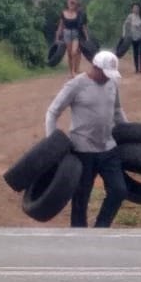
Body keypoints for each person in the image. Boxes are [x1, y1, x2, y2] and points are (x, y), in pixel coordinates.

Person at [45, 49, 129, 228]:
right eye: (105, 73)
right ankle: (79, 236)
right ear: (95, 67)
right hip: (82, 150)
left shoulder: (111, 83)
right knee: (81, 198)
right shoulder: (76, 85)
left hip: (108, 147)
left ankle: (101, 227)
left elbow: (117, 110)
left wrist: (130, 132)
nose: (108, 77)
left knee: (119, 190)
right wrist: (51, 145)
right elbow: (53, 112)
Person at [54, 0, 90, 78]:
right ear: (67, 3)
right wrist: (57, 37)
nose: (71, 4)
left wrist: (87, 37)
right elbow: (60, 26)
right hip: (66, 33)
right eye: (70, 2)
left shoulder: (78, 14)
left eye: (73, 3)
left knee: (74, 52)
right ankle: (71, 72)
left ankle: (74, 71)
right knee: (70, 54)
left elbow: (83, 26)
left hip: (75, 33)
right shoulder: (63, 13)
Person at [121, 2, 141, 74]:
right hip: (133, 37)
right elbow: (125, 25)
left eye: (137, 8)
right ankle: (136, 68)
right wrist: (124, 33)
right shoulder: (130, 16)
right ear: (132, 9)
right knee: (135, 53)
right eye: (134, 8)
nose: (135, 9)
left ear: (139, 9)